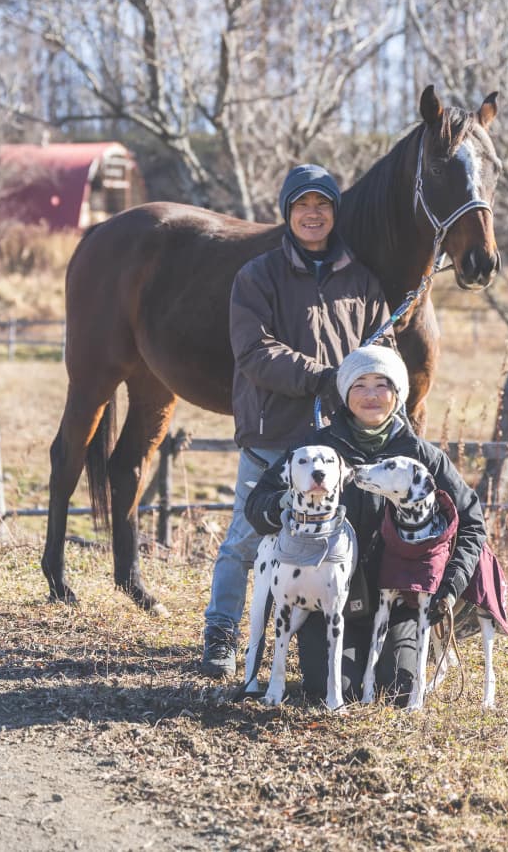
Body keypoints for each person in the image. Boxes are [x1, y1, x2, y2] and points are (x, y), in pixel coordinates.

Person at [200, 164, 392, 678]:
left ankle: (339, 642)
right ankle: (220, 632)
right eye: (303, 205)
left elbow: (382, 351)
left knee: (343, 541)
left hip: (336, 446)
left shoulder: (363, 281)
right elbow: (254, 351)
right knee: (246, 538)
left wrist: (364, 385)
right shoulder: (257, 277)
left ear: (335, 213)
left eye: (323, 205)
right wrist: (324, 377)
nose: (313, 214)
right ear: (287, 213)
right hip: (274, 433)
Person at [244, 343, 487, 703]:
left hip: (398, 601)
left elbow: (472, 523)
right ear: (344, 393)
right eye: (359, 385)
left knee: (397, 692)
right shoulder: (316, 450)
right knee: (334, 691)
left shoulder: (422, 457)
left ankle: (418, 649)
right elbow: (257, 507)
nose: (371, 395)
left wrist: (448, 586)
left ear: (398, 393)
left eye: (382, 384)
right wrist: (287, 502)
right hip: (327, 600)